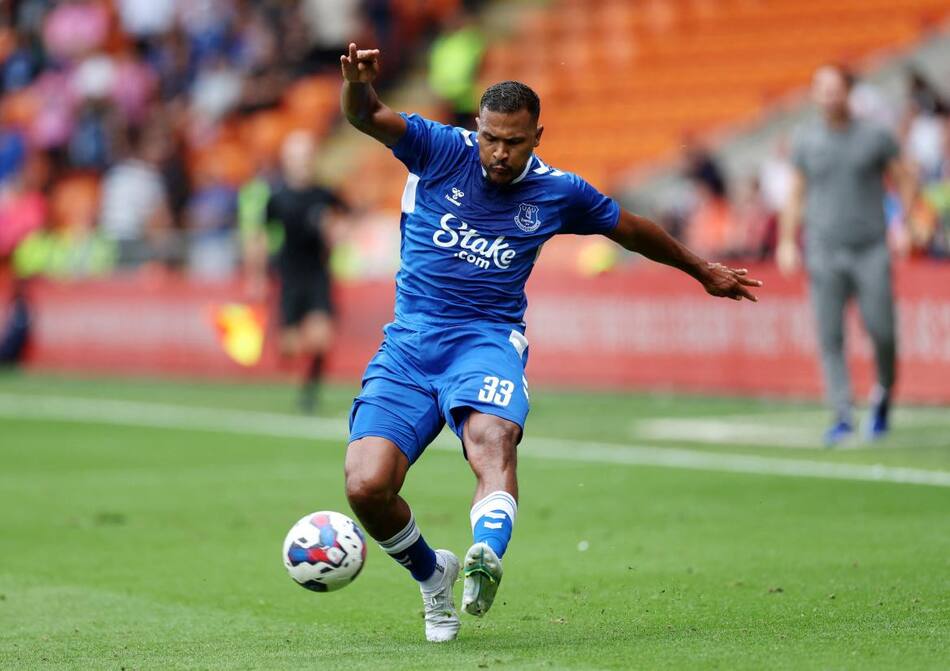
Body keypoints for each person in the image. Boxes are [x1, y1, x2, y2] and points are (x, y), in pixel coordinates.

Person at [339, 43, 761, 643]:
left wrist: (703, 271)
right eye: (490, 138)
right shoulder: (439, 149)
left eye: (514, 141)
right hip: (410, 344)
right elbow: (365, 115)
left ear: (538, 136)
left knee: (492, 441)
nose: (499, 153)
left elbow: (632, 230)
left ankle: (485, 555)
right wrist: (356, 84)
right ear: (476, 129)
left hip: (485, 342)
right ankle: (434, 577)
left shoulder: (559, 192)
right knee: (366, 487)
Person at [777, 64, 915, 446]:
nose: (827, 96)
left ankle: (883, 393)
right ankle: (841, 413)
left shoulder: (874, 136)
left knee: (883, 332)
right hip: (823, 249)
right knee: (830, 335)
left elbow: (904, 175)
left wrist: (900, 221)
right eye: (820, 89)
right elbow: (797, 192)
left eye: (834, 89)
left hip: (870, 247)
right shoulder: (806, 139)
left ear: (848, 92)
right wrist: (788, 240)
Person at [244, 130, 348, 412]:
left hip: (317, 273)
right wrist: (256, 277)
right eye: (297, 158)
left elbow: (343, 225)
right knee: (290, 348)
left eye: (306, 157)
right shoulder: (277, 197)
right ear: (287, 161)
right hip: (289, 275)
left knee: (321, 339)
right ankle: (288, 345)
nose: (302, 163)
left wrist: (334, 231)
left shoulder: (324, 194)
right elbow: (262, 236)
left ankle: (310, 391)